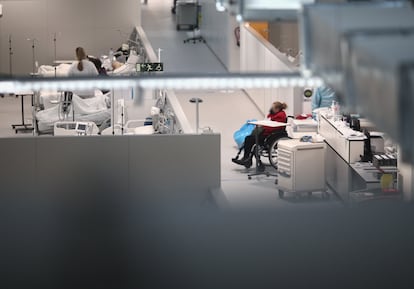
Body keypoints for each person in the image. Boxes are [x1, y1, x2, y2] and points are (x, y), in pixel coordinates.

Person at [232, 101, 288, 168]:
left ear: (277, 109)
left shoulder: (280, 116)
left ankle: (246, 159)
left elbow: (274, 126)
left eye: (273, 108)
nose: (271, 109)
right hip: (267, 133)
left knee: (249, 139)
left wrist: (263, 126)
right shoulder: (274, 115)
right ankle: (246, 158)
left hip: (271, 136)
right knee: (249, 138)